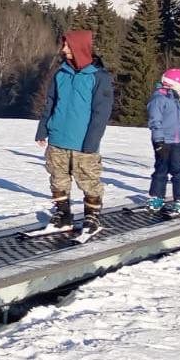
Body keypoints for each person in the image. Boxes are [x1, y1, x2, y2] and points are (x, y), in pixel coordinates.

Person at [35, 30, 114, 233]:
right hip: (57, 138)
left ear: (79, 47)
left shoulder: (98, 77)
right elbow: (50, 103)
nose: (63, 49)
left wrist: (92, 141)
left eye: (67, 46)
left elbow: (101, 113)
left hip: (83, 142)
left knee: (88, 180)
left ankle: (92, 217)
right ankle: (63, 214)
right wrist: (42, 128)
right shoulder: (60, 73)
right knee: (57, 178)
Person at [146, 68, 180, 214]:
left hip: (177, 142)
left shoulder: (177, 100)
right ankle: (157, 197)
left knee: (178, 171)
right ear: (175, 84)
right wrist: (159, 141)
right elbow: (155, 121)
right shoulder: (159, 99)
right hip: (164, 141)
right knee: (161, 170)